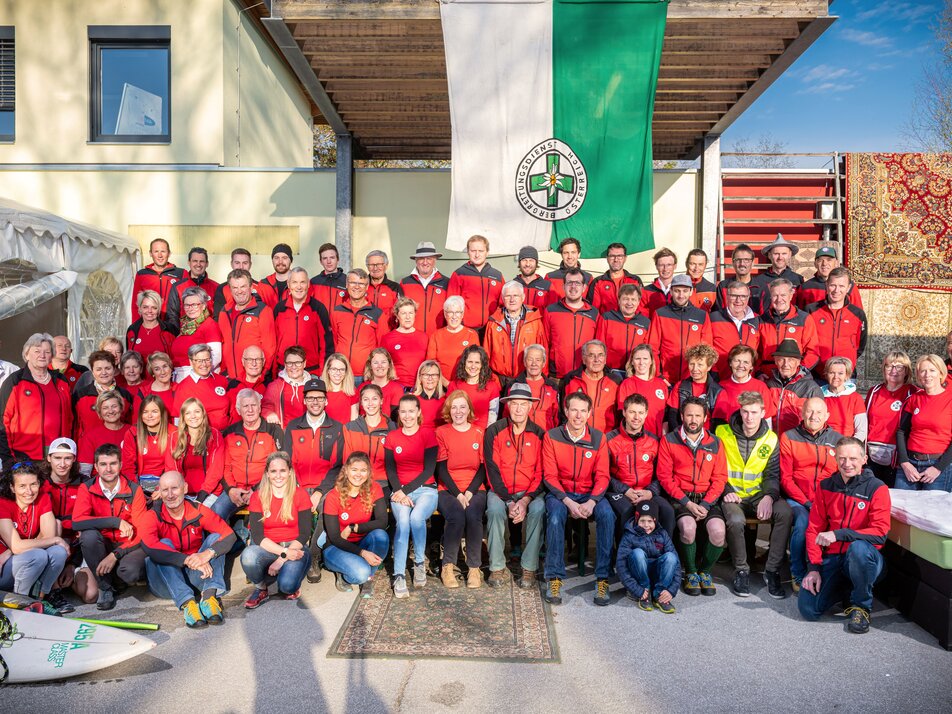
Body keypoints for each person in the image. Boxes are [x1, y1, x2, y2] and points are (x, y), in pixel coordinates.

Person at [798, 437, 891, 634]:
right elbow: (813, 529)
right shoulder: (826, 486)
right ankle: (847, 589)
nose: (847, 464)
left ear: (864, 459)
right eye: (842, 458)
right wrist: (813, 568)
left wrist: (840, 534)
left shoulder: (877, 488)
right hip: (833, 558)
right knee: (807, 609)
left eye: (853, 458)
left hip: (866, 559)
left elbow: (880, 534)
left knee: (857, 548)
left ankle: (861, 607)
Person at [717, 391, 793, 599]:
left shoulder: (771, 439)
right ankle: (741, 570)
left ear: (763, 412)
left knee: (785, 513)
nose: (749, 417)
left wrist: (769, 496)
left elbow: (772, 474)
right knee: (735, 520)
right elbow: (715, 468)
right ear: (739, 411)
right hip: (733, 495)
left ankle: (772, 570)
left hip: (759, 494)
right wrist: (726, 490)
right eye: (745, 411)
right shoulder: (722, 433)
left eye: (754, 412)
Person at [541, 392, 614, 607]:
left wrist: (592, 501)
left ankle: (602, 578)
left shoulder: (598, 438)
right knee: (554, 518)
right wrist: (568, 502)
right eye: (574, 410)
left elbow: (603, 475)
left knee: (608, 515)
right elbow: (549, 476)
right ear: (566, 411)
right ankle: (554, 577)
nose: (578, 415)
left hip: (590, 494)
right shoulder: (552, 436)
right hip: (561, 494)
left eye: (583, 411)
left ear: (590, 413)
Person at [140, 470, 234, 628]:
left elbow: (229, 535)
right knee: (163, 545)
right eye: (165, 490)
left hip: (197, 577)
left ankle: (209, 598)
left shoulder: (198, 510)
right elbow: (150, 547)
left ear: (185, 488)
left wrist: (206, 554)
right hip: (164, 583)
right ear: (159, 492)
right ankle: (188, 603)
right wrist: (189, 560)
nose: (170, 495)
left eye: (174, 488)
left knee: (215, 539)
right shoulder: (152, 515)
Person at [656, 397, 727, 598]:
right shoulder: (669, 440)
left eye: (698, 415)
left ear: (705, 417)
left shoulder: (715, 442)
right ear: (681, 416)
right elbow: (664, 477)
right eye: (689, 415)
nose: (693, 419)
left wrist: (705, 503)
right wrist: (687, 502)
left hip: (707, 498)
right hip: (681, 498)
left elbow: (720, 478)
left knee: (718, 532)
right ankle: (691, 572)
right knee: (688, 529)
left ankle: (705, 571)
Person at [484, 382, 546, 589]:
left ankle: (529, 567)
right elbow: (492, 470)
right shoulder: (494, 431)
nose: (518, 409)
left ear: (530, 406)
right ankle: (496, 566)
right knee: (493, 510)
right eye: (514, 404)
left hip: (529, 491)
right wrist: (510, 502)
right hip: (501, 491)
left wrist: (526, 500)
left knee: (538, 509)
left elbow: (541, 472)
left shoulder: (539, 434)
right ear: (508, 405)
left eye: (523, 404)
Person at [72, 444, 148, 611]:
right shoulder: (87, 488)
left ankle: (118, 579)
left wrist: (115, 555)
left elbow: (143, 532)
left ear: (120, 465)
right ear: (96, 467)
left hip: (128, 544)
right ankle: (105, 588)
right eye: (103, 464)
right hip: (102, 545)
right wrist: (115, 521)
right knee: (88, 536)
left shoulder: (134, 490)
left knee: (129, 572)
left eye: (113, 463)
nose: (108, 469)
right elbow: (77, 522)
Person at [283, 378, 344, 584]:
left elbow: (338, 466)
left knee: (329, 505)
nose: (315, 402)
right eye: (310, 398)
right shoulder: (293, 426)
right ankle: (288, 555)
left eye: (319, 398)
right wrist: (298, 489)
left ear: (326, 401)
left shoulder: (336, 428)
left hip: (325, 487)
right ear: (304, 401)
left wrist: (318, 491)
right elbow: (286, 462)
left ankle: (314, 555)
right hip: (298, 486)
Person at [780, 397, 843, 591]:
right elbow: (786, 479)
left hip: (827, 500)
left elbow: (842, 474)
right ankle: (798, 571)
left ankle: (831, 572)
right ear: (802, 413)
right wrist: (807, 503)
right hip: (798, 499)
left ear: (827, 416)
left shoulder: (837, 440)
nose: (814, 416)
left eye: (818, 412)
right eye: (809, 411)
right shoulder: (789, 437)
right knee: (803, 524)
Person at [241, 452, 313, 607]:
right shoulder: (257, 496)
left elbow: (305, 533)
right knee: (248, 555)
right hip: (269, 547)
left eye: (283, 470)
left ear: (290, 472)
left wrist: (282, 559)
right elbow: (258, 536)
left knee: (287, 587)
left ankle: (288, 575)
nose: (278, 475)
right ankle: (261, 588)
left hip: (295, 547)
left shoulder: (300, 494)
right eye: (273, 471)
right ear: (267, 473)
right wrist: (283, 553)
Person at [385, 394, 439, 598]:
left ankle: (418, 562)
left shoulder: (428, 435)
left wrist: (405, 492)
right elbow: (391, 470)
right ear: (399, 413)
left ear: (418, 412)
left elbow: (428, 470)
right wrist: (400, 491)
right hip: (399, 490)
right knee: (403, 523)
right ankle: (399, 574)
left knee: (417, 518)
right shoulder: (392, 437)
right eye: (403, 411)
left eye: (411, 411)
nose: (407, 415)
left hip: (426, 489)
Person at [0, 461, 70, 613]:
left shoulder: (43, 498)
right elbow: (17, 546)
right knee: (38, 554)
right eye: (22, 486)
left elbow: (49, 534)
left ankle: (41, 598)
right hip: (4, 568)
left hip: (22, 560)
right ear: (12, 487)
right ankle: (20, 603)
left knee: (58, 552)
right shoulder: (3, 503)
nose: (29, 491)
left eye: (33, 484)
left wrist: (53, 539)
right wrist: (55, 539)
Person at [435, 391, 487, 589]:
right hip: (448, 488)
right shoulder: (441, 433)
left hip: (474, 488)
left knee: (473, 514)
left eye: (462, 407)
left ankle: (474, 567)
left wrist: (470, 492)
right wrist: (458, 493)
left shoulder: (479, 432)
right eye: (454, 407)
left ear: (469, 410)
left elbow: (483, 467)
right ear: (449, 410)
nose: (458, 411)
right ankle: (447, 565)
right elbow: (441, 468)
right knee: (456, 515)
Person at [320, 451, 390, 597]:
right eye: (354, 470)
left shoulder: (374, 488)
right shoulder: (334, 496)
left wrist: (354, 527)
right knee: (360, 573)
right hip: (336, 547)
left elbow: (382, 522)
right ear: (346, 471)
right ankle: (344, 573)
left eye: (363, 470)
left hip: (361, 541)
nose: (359, 475)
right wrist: (363, 553)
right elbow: (335, 538)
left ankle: (368, 578)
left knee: (381, 536)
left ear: (368, 472)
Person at [606, 394, 675, 537]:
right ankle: (622, 554)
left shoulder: (654, 441)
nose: (636, 417)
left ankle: (663, 552)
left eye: (640, 413)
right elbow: (603, 474)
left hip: (647, 491)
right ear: (624, 413)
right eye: (632, 412)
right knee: (626, 511)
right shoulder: (609, 440)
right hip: (619, 492)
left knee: (667, 511)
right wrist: (625, 490)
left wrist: (650, 492)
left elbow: (662, 475)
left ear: (646, 414)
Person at [212, 389, 284, 526]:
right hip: (235, 490)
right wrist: (231, 489)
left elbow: (278, 467)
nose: (250, 410)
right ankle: (225, 544)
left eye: (253, 405)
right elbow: (225, 466)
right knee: (215, 513)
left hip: (264, 489)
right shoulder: (229, 433)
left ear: (259, 408)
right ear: (238, 410)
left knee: (261, 524)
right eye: (245, 406)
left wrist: (256, 490)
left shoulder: (273, 431)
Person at [0, 333, 73, 468]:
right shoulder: (15, 381)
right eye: (37, 351)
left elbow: (70, 419)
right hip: (22, 457)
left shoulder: (62, 381)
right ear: (27, 354)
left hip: (57, 457)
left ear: (52, 355)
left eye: (47, 351)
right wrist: (8, 459)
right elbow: (3, 421)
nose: (42, 355)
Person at [41, 438, 95, 609]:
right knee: (55, 523)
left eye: (67, 458)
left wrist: (71, 565)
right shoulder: (39, 483)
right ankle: (53, 589)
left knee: (90, 595)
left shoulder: (85, 483)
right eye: (57, 458)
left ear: (74, 460)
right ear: (49, 458)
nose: (62, 464)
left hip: (76, 547)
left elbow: (87, 526)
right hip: (49, 544)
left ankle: (64, 578)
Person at [895, 354, 952, 492]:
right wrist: (904, 462)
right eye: (923, 371)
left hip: (938, 466)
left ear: (941, 373)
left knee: (931, 512)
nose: (927, 375)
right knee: (900, 511)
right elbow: (901, 431)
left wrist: (938, 468)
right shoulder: (914, 399)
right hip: (910, 464)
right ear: (918, 375)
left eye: (932, 370)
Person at [616, 500, 681, 613]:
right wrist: (636, 589)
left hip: (656, 572)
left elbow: (676, 565)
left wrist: (671, 590)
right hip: (639, 575)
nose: (646, 525)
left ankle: (660, 595)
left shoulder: (662, 534)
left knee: (671, 557)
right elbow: (621, 565)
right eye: (642, 521)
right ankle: (644, 592)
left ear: (655, 521)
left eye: (650, 521)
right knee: (638, 553)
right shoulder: (629, 535)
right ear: (637, 520)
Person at [865, 351, 918, 487]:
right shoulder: (874, 391)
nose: (894, 370)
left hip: (898, 456)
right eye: (889, 366)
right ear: (884, 369)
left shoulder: (913, 393)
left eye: (899, 366)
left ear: (906, 371)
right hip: (871, 454)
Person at [647, 274, 712, 383]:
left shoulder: (701, 316)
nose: (681, 295)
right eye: (677, 291)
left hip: (693, 378)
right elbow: (652, 347)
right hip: (666, 378)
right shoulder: (660, 314)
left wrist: (700, 375)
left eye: (685, 291)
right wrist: (658, 375)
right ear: (671, 292)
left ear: (691, 292)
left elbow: (706, 350)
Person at [805, 266, 868, 377]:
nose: (836, 290)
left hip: (846, 375)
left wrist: (848, 360)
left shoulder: (858, 314)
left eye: (841, 286)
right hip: (817, 374)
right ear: (826, 285)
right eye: (833, 285)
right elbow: (804, 342)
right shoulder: (811, 310)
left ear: (848, 288)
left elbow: (860, 345)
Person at [483, 280, 547, 384]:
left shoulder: (535, 321)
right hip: (499, 380)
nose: (512, 299)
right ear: (503, 299)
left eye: (515, 295)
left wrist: (541, 379)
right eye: (508, 296)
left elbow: (543, 353)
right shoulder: (493, 322)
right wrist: (490, 378)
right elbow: (486, 353)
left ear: (523, 298)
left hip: (527, 378)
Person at [218, 269, 277, 380]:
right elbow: (223, 344)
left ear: (251, 288)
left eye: (243, 287)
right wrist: (223, 371)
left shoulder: (263, 311)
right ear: (230, 290)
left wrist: (263, 375)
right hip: (230, 378)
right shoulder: (224, 311)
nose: (239, 291)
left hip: (253, 378)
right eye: (235, 287)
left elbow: (269, 347)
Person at [273, 266, 334, 374]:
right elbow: (273, 342)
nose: (299, 286)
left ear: (308, 284)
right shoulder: (279, 309)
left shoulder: (318, 308)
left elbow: (326, 344)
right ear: (288, 284)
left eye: (302, 282)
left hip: (311, 371)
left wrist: (323, 372)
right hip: (284, 370)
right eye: (295, 282)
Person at [543, 267, 599, 377]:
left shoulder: (594, 313)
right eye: (569, 283)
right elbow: (544, 343)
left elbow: (598, 346)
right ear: (563, 286)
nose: (573, 287)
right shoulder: (551, 311)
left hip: (585, 375)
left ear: (584, 287)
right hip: (557, 376)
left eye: (577, 283)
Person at [761, 338, 823, 435]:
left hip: (796, 441)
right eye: (781, 359)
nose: (786, 364)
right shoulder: (768, 384)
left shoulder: (811, 388)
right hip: (771, 439)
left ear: (798, 362)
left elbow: (819, 421)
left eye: (791, 360)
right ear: (776, 361)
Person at [331, 269, 384, 376]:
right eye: (353, 283)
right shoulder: (337, 311)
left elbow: (381, 347)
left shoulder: (377, 314)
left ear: (367, 287)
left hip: (366, 374)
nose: (357, 286)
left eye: (361, 283)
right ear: (346, 284)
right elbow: (334, 341)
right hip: (341, 373)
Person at [343, 384, 396, 492]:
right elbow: (347, 461)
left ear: (381, 401)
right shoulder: (350, 428)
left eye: (374, 399)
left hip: (384, 483)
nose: (370, 403)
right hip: (356, 482)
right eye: (366, 399)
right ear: (361, 402)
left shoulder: (392, 428)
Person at [71, 350, 133, 442]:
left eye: (108, 368)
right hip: (88, 448)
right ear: (92, 372)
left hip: (117, 447)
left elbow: (129, 424)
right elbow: (74, 424)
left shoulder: (125, 396)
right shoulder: (80, 395)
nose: (104, 373)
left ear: (114, 369)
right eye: (99, 369)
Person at [758, 279, 819, 373]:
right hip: (767, 375)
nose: (779, 299)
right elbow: (755, 352)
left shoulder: (804, 319)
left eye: (783, 295)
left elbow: (813, 352)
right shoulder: (761, 320)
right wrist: (758, 373)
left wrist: (800, 372)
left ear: (791, 295)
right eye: (775, 295)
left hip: (794, 373)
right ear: (770, 296)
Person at [561, 340, 621, 434]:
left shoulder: (616, 381)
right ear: (584, 359)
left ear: (605, 359)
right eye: (591, 355)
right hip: (577, 436)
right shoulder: (571, 380)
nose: (596, 359)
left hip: (607, 437)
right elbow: (562, 410)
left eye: (600, 355)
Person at [121, 395, 177, 494]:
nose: (149, 416)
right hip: (138, 485)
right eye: (145, 412)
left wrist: (164, 488)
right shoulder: (133, 433)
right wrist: (136, 490)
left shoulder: (174, 433)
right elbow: (128, 467)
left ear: (162, 413)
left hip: (166, 485)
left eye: (154, 411)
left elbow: (175, 467)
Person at [448, 234, 504, 332]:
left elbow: (503, 304)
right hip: (466, 329)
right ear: (468, 252)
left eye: (481, 251)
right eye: (473, 251)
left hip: (491, 329)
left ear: (487, 252)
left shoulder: (497, 276)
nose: (477, 255)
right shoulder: (459, 274)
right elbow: (451, 304)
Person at [173, 397, 225, 498]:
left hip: (210, 493)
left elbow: (216, 469)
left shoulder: (214, 435)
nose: (193, 416)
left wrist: (204, 492)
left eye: (197, 411)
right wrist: (178, 490)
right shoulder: (176, 437)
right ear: (183, 417)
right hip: (181, 494)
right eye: (188, 413)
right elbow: (172, 468)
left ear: (203, 414)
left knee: (202, 513)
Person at [709, 280, 761, 378]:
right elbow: (707, 348)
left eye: (743, 296)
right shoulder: (713, 318)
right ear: (727, 297)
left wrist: (758, 372)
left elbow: (759, 352)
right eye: (734, 296)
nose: (738, 300)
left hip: (748, 380)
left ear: (748, 298)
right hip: (719, 379)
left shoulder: (756, 320)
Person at [594, 283, 650, 375]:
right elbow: (599, 346)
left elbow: (647, 351)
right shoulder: (607, 318)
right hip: (610, 371)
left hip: (635, 372)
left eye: (633, 299)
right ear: (619, 300)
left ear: (639, 301)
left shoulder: (645, 323)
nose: (629, 303)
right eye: (625, 299)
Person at [711, 345, 773, 427]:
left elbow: (767, 418)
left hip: (753, 436)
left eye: (746, 362)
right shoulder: (720, 387)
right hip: (727, 435)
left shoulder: (761, 387)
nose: (741, 365)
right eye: (737, 361)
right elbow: (716, 420)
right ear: (730, 363)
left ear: (751, 366)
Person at [173, 343, 232, 431]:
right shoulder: (184, 387)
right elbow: (178, 419)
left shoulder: (221, 380)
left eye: (207, 359)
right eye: (199, 361)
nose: (204, 364)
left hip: (226, 432)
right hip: (202, 436)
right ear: (191, 362)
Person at [665, 343, 722, 432]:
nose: (695, 369)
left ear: (709, 367)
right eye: (692, 364)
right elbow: (673, 415)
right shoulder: (680, 386)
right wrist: (678, 435)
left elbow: (718, 423)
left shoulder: (718, 391)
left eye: (700, 365)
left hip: (707, 437)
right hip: (682, 435)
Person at [170, 287, 223, 381]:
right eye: (187, 305)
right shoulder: (185, 326)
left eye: (194, 305)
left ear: (203, 306)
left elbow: (216, 356)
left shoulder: (209, 325)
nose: (190, 308)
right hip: (179, 377)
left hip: (196, 378)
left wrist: (197, 376)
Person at [426, 296, 480, 385]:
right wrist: (447, 384)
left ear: (462, 314)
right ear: (445, 314)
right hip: (441, 385)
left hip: (465, 384)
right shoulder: (436, 335)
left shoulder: (472, 334)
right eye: (450, 312)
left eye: (457, 312)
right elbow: (431, 364)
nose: (454, 316)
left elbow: (476, 362)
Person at [399, 242, 450, 334]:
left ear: (435, 260)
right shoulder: (405, 283)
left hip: (438, 337)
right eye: (421, 258)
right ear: (416, 260)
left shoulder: (446, 283)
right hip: (412, 337)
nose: (425, 262)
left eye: (429, 258)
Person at [212, 248, 278, 316]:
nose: (241, 267)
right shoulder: (222, 288)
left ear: (250, 264)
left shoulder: (261, 287)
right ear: (231, 264)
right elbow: (218, 317)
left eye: (245, 263)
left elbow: (270, 314)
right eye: (237, 263)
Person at [165, 247, 218, 330]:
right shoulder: (177, 287)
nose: (198, 264)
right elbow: (172, 316)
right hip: (185, 335)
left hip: (208, 335)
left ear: (207, 263)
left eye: (202, 261)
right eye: (195, 261)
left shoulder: (216, 287)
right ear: (189, 262)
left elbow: (218, 316)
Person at [131, 238, 184, 322]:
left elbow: (186, 301)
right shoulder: (141, 274)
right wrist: (135, 328)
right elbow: (135, 304)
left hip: (174, 323)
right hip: (149, 323)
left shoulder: (181, 273)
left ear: (169, 253)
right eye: (156, 251)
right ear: (150, 253)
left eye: (163, 251)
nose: (160, 255)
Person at [379, 297, 428, 387]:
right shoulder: (387, 338)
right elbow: (382, 363)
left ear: (415, 314)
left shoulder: (424, 337)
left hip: (420, 387)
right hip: (397, 386)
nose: (408, 317)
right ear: (397, 316)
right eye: (403, 313)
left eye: (411, 313)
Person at [447, 345, 500, 428]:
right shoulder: (454, 385)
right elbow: (449, 415)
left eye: (477, 362)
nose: (473, 366)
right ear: (464, 363)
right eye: (470, 362)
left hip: (482, 435)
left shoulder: (492, 386)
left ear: (482, 365)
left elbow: (493, 417)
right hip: (459, 432)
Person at [796, 246, 863, 310]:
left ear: (836, 263)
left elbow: (857, 313)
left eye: (829, 260)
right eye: (820, 260)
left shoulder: (848, 286)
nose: (824, 263)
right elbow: (800, 315)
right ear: (815, 264)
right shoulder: (806, 287)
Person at [750, 234, 804, 312]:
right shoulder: (758, 281)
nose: (780, 257)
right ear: (769, 255)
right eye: (776, 254)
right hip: (766, 322)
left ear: (790, 255)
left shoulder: (798, 279)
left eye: (784, 254)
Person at [78, 391, 127, 476]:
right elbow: (84, 471)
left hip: (129, 483)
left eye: (114, 406)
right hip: (99, 484)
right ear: (99, 412)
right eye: (105, 408)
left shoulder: (133, 432)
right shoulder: (91, 436)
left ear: (121, 408)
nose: (110, 411)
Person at [262, 346, 312, 429]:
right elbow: (265, 406)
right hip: (284, 434)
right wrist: (269, 413)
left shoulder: (312, 386)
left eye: (298, 362)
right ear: (285, 364)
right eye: (290, 363)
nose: (294, 367)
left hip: (308, 434)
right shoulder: (276, 386)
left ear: (304, 363)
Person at [586, 242, 644, 314]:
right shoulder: (598, 282)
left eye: (620, 256)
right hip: (607, 323)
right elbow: (593, 311)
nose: (616, 260)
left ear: (625, 258)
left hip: (630, 323)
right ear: (607, 258)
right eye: (612, 256)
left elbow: (641, 307)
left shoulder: (635, 281)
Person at [515, 345, 560, 431]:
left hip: (546, 436)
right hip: (521, 437)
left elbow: (557, 416)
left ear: (543, 363)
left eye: (538, 360)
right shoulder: (514, 385)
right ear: (524, 362)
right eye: (530, 359)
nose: (534, 364)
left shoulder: (552, 387)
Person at [822, 357, 867, 440]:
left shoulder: (855, 398)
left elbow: (861, 431)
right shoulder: (819, 396)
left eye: (840, 373)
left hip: (847, 444)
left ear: (847, 375)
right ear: (826, 374)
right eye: (832, 373)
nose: (836, 377)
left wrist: (850, 446)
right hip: (823, 443)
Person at [126, 290, 178, 360]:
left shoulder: (169, 330)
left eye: (154, 307)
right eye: (145, 307)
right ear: (140, 308)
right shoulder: (132, 330)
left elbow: (175, 359)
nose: (149, 311)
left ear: (158, 310)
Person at [224, 345, 269, 420]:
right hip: (236, 430)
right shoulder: (233, 385)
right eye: (249, 359)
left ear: (263, 362)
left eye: (258, 359)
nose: (254, 364)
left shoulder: (270, 386)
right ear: (243, 361)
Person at [714, 243, 762, 312]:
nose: (742, 264)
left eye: (746, 260)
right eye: (738, 260)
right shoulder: (723, 287)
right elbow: (719, 314)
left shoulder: (761, 287)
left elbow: (764, 318)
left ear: (753, 263)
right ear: (733, 263)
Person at [361, 348, 406, 419]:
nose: (380, 366)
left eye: (383, 362)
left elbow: (395, 420)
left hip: (388, 428)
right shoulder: (362, 387)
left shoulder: (396, 389)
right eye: (375, 362)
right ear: (370, 366)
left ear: (389, 365)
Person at [309, 243, 348, 313]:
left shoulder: (347, 281)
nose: (329, 262)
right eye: (325, 258)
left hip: (340, 323)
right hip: (320, 323)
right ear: (321, 261)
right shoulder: (313, 282)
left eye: (332, 258)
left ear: (337, 259)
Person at [512, 245, 554, 310]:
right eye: (524, 260)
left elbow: (553, 312)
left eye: (531, 260)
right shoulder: (511, 286)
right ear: (519, 263)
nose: (527, 264)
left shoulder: (547, 286)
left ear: (536, 263)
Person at [322, 353, 360, 423]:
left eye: (342, 369)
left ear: (346, 372)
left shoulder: (352, 391)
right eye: (334, 369)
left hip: (345, 432)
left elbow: (354, 419)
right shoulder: (321, 391)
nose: (338, 373)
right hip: (325, 432)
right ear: (328, 370)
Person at [365, 249, 403, 319]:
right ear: (367, 267)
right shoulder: (361, 286)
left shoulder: (395, 287)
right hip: (366, 329)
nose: (375, 268)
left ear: (386, 266)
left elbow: (401, 312)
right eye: (371, 265)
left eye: (379, 264)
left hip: (388, 329)